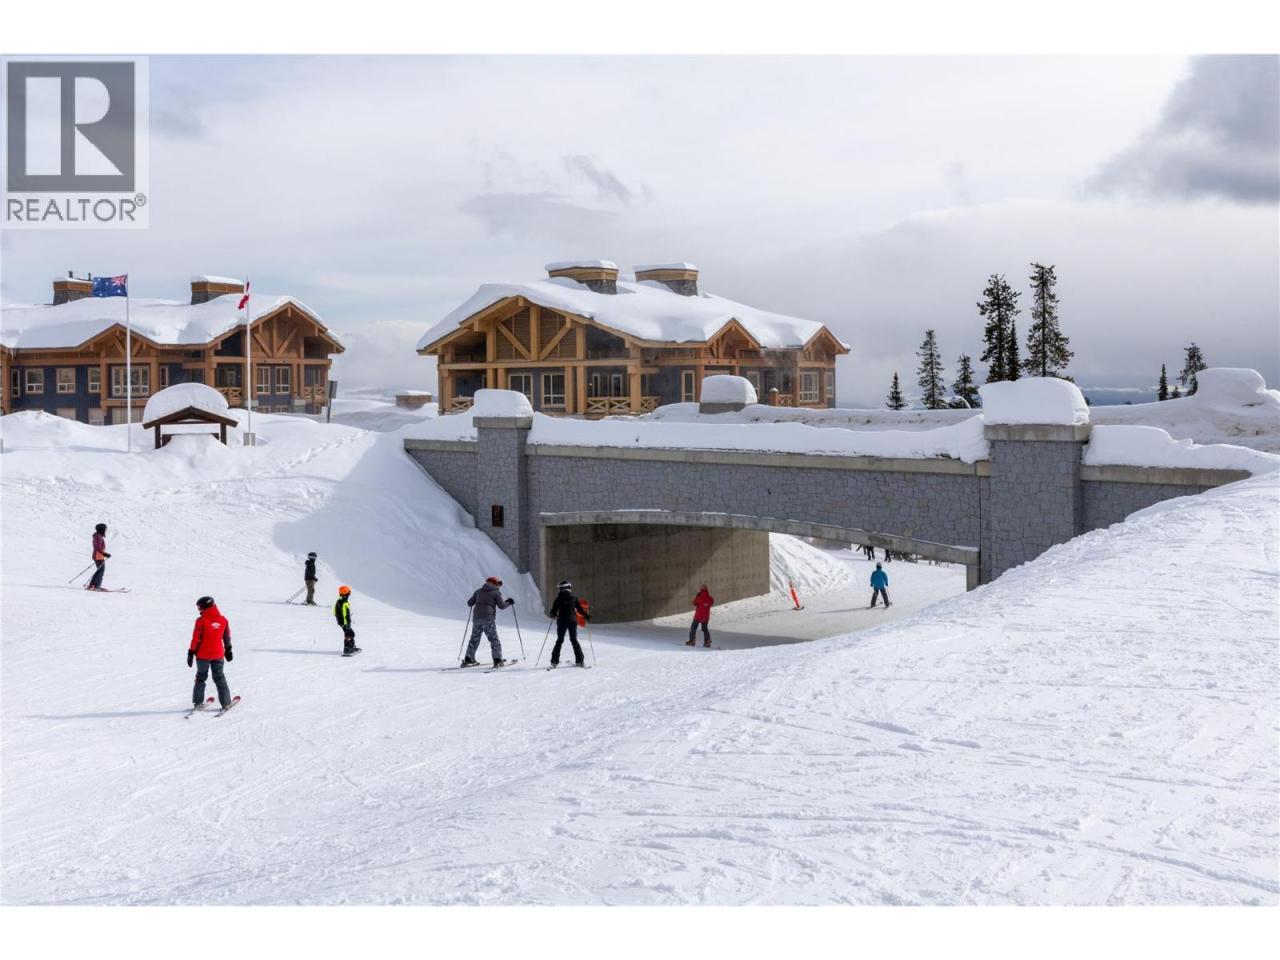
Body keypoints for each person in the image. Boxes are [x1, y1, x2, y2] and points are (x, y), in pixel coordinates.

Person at [188, 596, 233, 710]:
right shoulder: (223, 620)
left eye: (199, 607)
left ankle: (198, 703)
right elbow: (227, 636)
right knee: (219, 677)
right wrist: (228, 649)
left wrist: (191, 652)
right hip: (218, 655)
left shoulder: (201, 621)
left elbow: (196, 639)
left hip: (202, 656)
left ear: (205, 607)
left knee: (200, 677)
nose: (199, 610)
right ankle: (226, 703)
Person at [462, 576, 514, 667]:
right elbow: (502, 606)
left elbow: (469, 603)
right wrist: (509, 602)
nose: (499, 586)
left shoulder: (478, 591)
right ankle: (497, 660)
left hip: (477, 619)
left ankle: (469, 658)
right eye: (498, 584)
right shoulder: (496, 593)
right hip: (488, 619)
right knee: (494, 640)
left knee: (474, 639)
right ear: (495, 583)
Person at [547, 580, 588, 667]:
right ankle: (580, 661)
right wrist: (586, 615)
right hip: (572, 621)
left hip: (562, 621)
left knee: (559, 640)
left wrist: (553, 614)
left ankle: (554, 661)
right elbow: (580, 609)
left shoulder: (558, 599)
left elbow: (553, 611)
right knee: (573, 639)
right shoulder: (574, 598)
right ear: (569, 587)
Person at [334, 584, 361, 656]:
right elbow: (345, 614)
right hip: (345, 622)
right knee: (349, 634)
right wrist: (346, 623)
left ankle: (351, 646)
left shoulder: (339, 601)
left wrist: (339, 619)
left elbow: (335, 612)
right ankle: (347, 648)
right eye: (349, 593)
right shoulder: (344, 603)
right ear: (347, 594)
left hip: (342, 622)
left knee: (350, 633)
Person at [87, 522, 111, 591]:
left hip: (98, 556)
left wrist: (104, 554)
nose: (105, 530)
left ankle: (92, 585)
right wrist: (105, 554)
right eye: (105, 529)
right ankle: (96, 586)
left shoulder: (98, 536)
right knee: (101, 571)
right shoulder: (98, 537)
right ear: (101, 529)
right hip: (98, 556)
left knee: (99, 570)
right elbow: (98, 547)